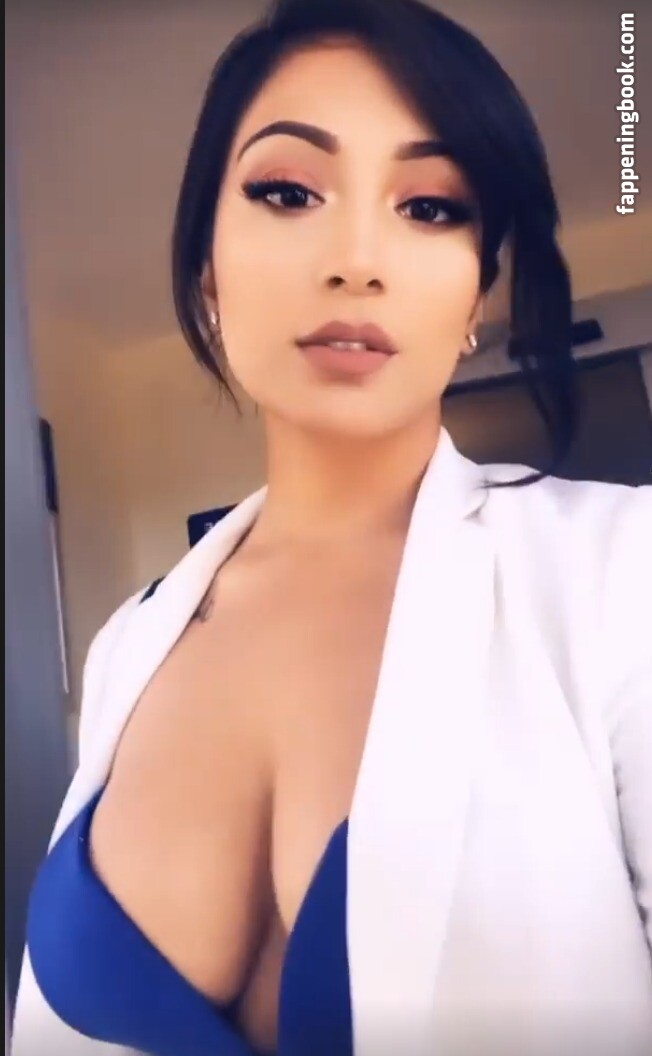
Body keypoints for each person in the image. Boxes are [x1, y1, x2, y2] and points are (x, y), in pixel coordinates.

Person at [10, 0, 652, 1054]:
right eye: (288, 191)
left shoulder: (620, 574)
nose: (358, 259)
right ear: (207, 269)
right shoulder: (127, 644)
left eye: (430, 207)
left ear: (475, 299)